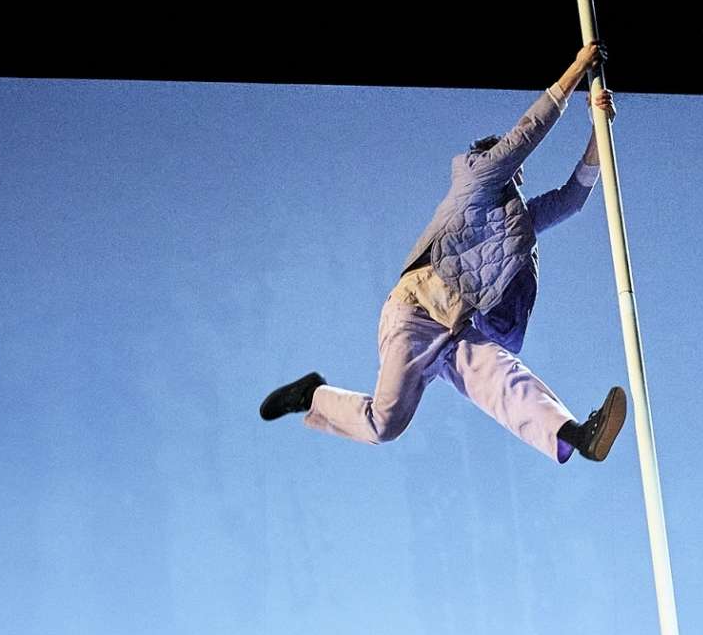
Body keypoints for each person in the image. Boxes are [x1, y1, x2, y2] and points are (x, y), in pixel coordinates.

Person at [258, 40, 628, 468]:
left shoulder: (517, 222)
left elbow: (569, 200)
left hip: (456, 326)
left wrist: (600, 130)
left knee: (502, 377)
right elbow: (527, 135)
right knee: (385, 424)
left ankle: (575, 435)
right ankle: (312, 393)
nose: (516, 175)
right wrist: (577, 70)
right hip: (414, 313)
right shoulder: (476, 180)